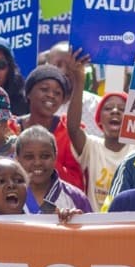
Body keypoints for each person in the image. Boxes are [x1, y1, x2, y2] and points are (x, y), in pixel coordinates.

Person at [19, 62, 86, 192]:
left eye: (57, 93)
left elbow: (77, 182)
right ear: (28, 94)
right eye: (44, 89)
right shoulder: (10, 128)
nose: (51, 95)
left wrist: (47, 164)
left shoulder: (68, 133)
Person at [14, 125, 90, 214]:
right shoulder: (9, 196)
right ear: (17, 159)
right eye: (29, 157)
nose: (38, 163)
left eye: (45, 156)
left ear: (55, 157)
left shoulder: (75, 197)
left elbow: (92, 226)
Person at [81, 92, 134, 211]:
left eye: (122, 109)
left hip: (128, 224)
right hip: (96, 225)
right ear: (99, 120)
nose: (115, 111)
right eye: (108, 108)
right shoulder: (91, 145)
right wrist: (79, 82)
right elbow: (73, 129)